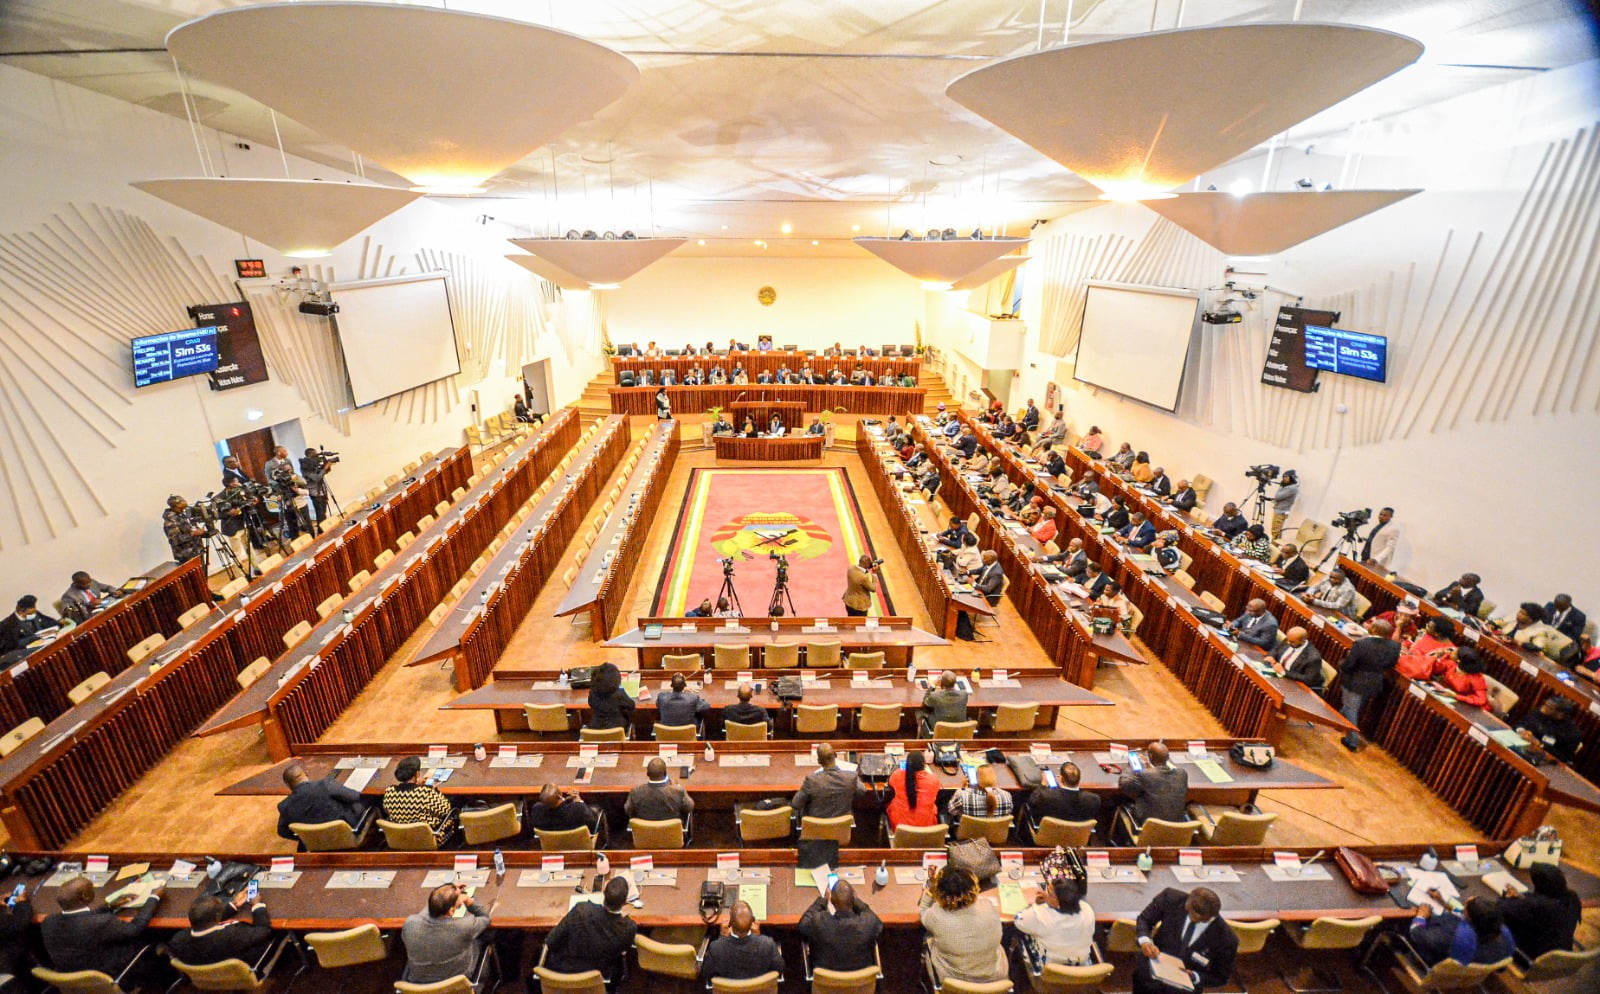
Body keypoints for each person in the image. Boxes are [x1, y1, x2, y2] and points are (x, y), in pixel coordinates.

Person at [41, 875, 164, 980]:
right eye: (91, 889)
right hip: (113, 976)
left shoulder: (48, 922)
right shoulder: (102, 922)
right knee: (154, 937)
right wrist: (153, 898)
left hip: (74, 980)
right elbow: (135, 928)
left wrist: (109, 906)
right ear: (84, 896)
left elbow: (79, 919)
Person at [1132, 887, 1238, 994]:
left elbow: (1220, 977)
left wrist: (1195, 977)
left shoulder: (1226, 939)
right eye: (1190, 913)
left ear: (1211, 917)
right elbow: (1144, 919)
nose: (1192, 919)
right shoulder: (1170, 898)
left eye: (1200, 919)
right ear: (1188, 901)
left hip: (1183, 990)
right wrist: (1145, 941)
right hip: (1148, 976)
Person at [919, 867, 1006, 984]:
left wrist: (930, 891)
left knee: (927, 937)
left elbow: (923, 912)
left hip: (953, 982)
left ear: (940, 892)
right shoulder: (988, 906)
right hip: (994, 981)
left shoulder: (936, 914)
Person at [539, 876, 634, 980]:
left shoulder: (581, 910)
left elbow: (551, 940)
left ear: (604, 894)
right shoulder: (628, 928)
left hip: (564, 973)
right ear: (625, 902)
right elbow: (622, 950)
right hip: (598, 977)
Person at [402, 883, 490, 984]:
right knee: (486, 936)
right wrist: (467, 900)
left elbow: (429, 910)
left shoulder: (410, 923)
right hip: (456, 983)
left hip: (419, 985)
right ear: (451, 911)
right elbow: (484, 918)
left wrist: (445, 892)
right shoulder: (463, 926)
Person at [1336, 619, 1401, 751]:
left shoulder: (1361, 644)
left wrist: (1341, 666)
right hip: (1375, 682)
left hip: (1355, 681)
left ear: (1374, 630)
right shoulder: (1395, 647)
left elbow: (1350, 664)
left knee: (1351, 709)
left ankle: (1352, 740)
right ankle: (1337, 721)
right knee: (1351, 707)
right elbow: (1390, 665)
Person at [1498, 863, 1580, 961]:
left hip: (1530, 957)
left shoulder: (1536, 906)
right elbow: (1539, 904)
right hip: (1562, 954)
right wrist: (1522, 898)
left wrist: (1508, 897)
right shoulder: (1572, 898)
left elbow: (1500, 907)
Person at [167, 892, 274, 967]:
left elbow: (204, 922)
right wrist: (257, 905)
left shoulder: (178, 941)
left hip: (204, 979)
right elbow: (263, 930)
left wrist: (233, 906)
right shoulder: (234, 935)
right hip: (239, 974)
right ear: (216, 916)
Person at [799, 880, 882, 973]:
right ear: (853, 899)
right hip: (860, 984)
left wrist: (822, 901)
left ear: (832, 901)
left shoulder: (820, 923)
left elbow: (803, 925)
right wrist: (857, 902)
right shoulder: (868, 923)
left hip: (827, 983)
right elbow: (878, 925)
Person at [1408, 894, 1513, 967]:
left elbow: (1417, 934)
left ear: (1470, 918)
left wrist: (1421, 916)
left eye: (1465, 907)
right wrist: (1443, 903)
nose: (1463, 908)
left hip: (1434, 964)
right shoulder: (1503, 934)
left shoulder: (1452, 934)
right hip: (1473, 972)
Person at [276, 762, 368, 842]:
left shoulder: (284, 806)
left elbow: (282, 831)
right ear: (306, 773)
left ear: (287, 785)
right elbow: (354, 796)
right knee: (368, 800)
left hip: (316, 843)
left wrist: (306, 836)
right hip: (347, 834)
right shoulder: (324, 785)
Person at [1016, 877, 1095, 967]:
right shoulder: (1087, 909)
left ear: (1058, 901)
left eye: (1049, 892)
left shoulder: (1041, 915)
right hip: (1081, 969)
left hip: (1050, 969)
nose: (1044, 893)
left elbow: (1018, 920)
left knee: (1018, 932)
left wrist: (1035, 905)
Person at [702, 900, 784, 982]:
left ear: (730, 923)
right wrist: (758, 937)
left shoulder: (716, 948)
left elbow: (707, 973)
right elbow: (779, 969)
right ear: (752, 921)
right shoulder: (767, 944)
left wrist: (722, 937)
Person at [382, 756, 457, 846]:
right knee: (455, 804)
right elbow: (446, 810)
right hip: (428, 839)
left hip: (401, 839)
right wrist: (433, 789)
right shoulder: (425, 793)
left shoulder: (389, 792)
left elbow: (387, 810)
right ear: (417, 774)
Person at [1022, 761, 1100, 843]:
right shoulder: (1094, 799)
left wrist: (1043, 784)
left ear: (1060, 778)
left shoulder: (1046, 796)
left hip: (1048, 837)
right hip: (1076, 839)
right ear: (1079, 780)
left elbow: (1031, 802)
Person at [1118, 741, 1189, 831]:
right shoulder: (1182, 774)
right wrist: (1150, 770)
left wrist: (1130, 767)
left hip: (1149, 828)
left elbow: (1124, 785)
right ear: (1168, 757)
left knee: (1118, 800)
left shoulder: (1144, 775)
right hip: (1176, 830)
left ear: (1150, 756)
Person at [793, 742, 865, 819]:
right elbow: (861, 792)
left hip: (817, 827)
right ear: (835, 755)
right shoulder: (851, 777)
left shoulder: (811, 781)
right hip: (841, 826)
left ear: (819, 761)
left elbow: (796, 804)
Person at [625, 757, 694, 823]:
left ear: (647, 774)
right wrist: (677, 786)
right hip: (671, 832)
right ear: (665, 773)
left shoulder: (636, 792)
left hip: (645, 832)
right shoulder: (678, 791)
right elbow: (689, 807)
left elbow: (628, 810)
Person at [1515, 695, 1583, 762]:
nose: (1543, 708)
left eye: (1549, 707)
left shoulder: (1572, 733)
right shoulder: (1539, 712)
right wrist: (1521, 731)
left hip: (1541, 758)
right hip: (1520, 745)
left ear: (1560, 714)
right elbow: (1521, 723)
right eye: (1545, 704)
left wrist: (1540, 744)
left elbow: (1564, 757)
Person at [886, 751, 940, 830]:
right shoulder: (933, 780)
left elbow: (890, 783)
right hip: (926, 829)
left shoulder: (898, 775)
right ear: (924, 765)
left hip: (900, 829)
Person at [947, 764, 1013, 825]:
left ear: (976, 779)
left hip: (969, 836)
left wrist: (963, 788)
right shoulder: (1007, 796)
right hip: (995, 836)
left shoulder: (963, 795)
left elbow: (951, 811)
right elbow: (1008, 813)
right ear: (994, 778)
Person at [1491, 603, 1566, 653]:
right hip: (1500, 645)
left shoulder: (1541, 631)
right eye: (1519, 612)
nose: (1518, 614)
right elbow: (1499, 621)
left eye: (1523, 614)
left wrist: (1517, 642)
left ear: (1531, 619)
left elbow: (1537, 647)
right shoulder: (1515, 617)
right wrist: (1491, 625)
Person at [586, 661, 635, 734]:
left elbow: (591, 704)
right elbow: (632, 706)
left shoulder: (592, 693)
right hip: (617, 731)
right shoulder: (619, 694)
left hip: (595, 731)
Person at [526, 783, 596, 834]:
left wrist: (566, 801)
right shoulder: (578, 809)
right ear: (560, 795)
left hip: (550, 845)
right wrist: (579, 801)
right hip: (577, 844)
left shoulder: (537, 810)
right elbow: (592, 823)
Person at [163, 495, 208, 563]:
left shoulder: (182, 515)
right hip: (186, 556)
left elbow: (192, 528)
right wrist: (193, 533)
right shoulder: (170, 521)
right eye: (182, 501)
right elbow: (174, 540)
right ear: (177, 505)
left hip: (197, 551)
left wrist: (202, 532)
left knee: (203, 572)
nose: (185, 501)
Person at [1270, 470, 1299, 538]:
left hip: (1281, 512)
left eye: (1286, 477)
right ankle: (1274, 546)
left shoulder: (1292, 488)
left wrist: (1281, 485)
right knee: (1276, 531)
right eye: (1283, 477)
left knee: (1275, 531)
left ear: (1291, 478)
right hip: (1280, 510)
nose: (1284, 478)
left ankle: (1273, 547)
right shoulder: (1287, 486)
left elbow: (1278, 497)